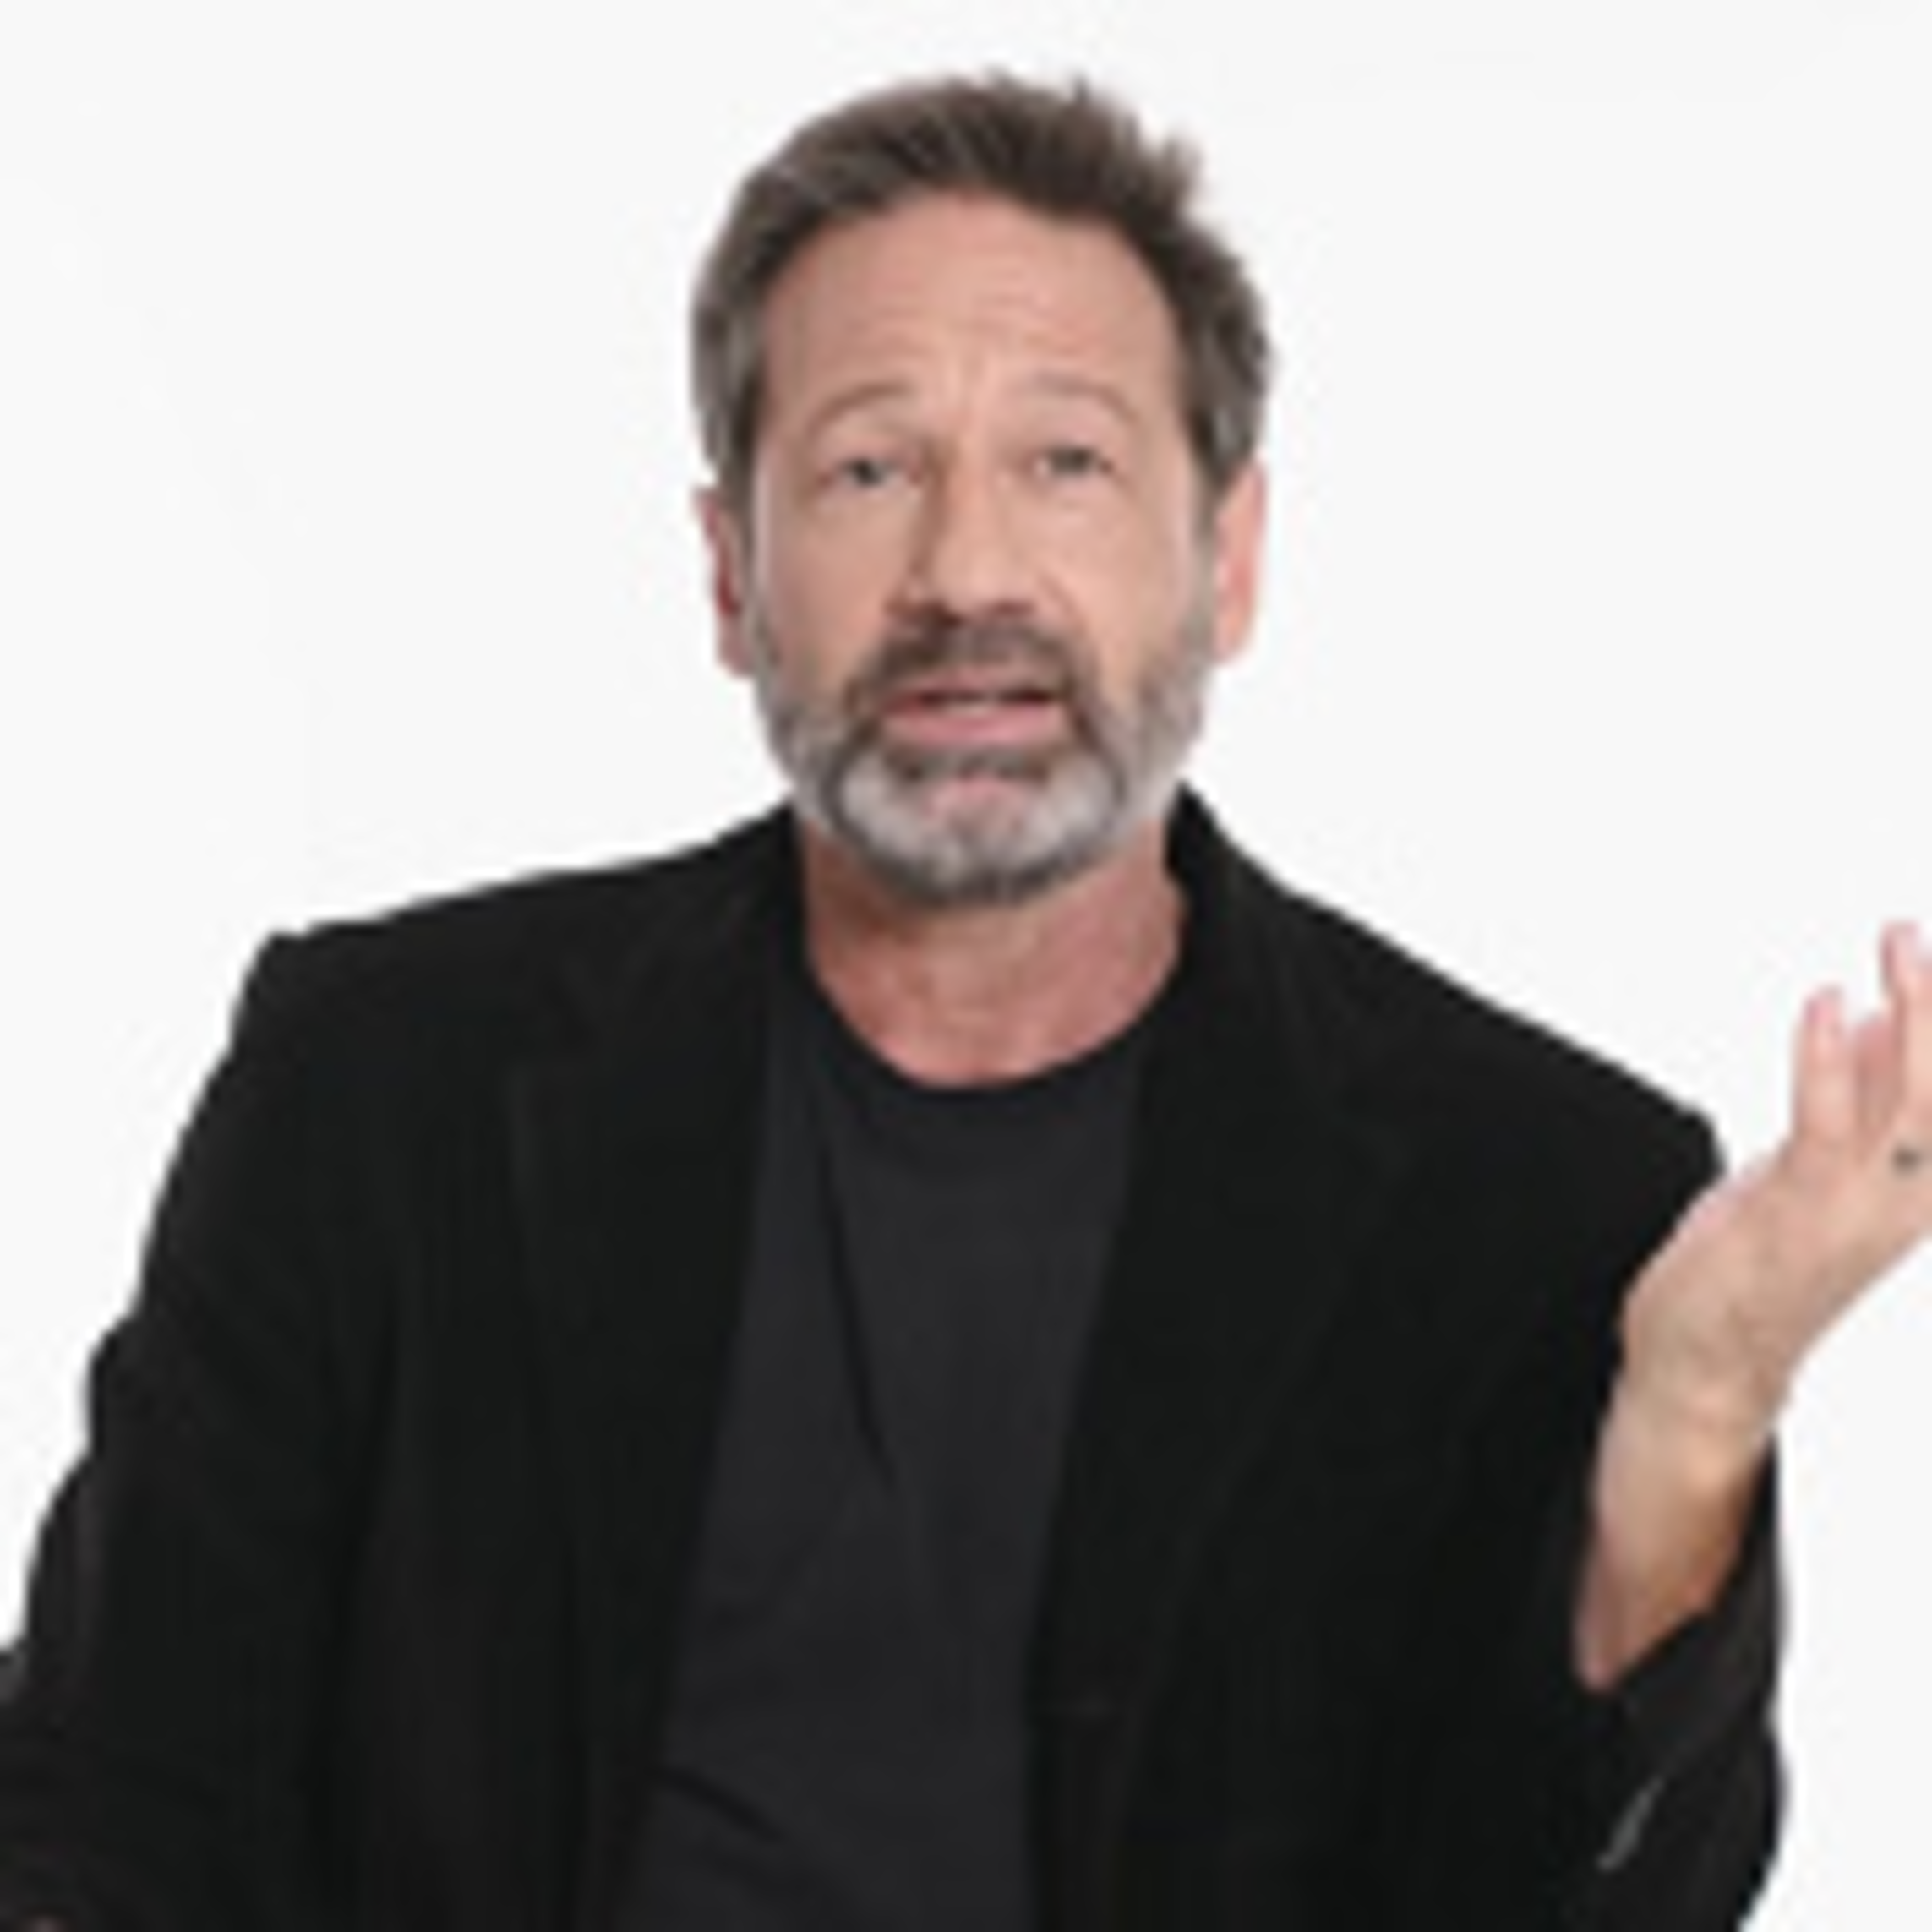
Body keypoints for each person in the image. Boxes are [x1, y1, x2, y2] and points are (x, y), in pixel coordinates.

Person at [1, 70, 1927, 1932]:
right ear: (731, 575)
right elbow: (114, 1785)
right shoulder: (376, 1084)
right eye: (868, 468)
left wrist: (1698, 1413)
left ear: (1228, 558)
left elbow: (1597, 1902)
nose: (965, 572)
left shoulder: (1538, 1192)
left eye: (1065, 462)